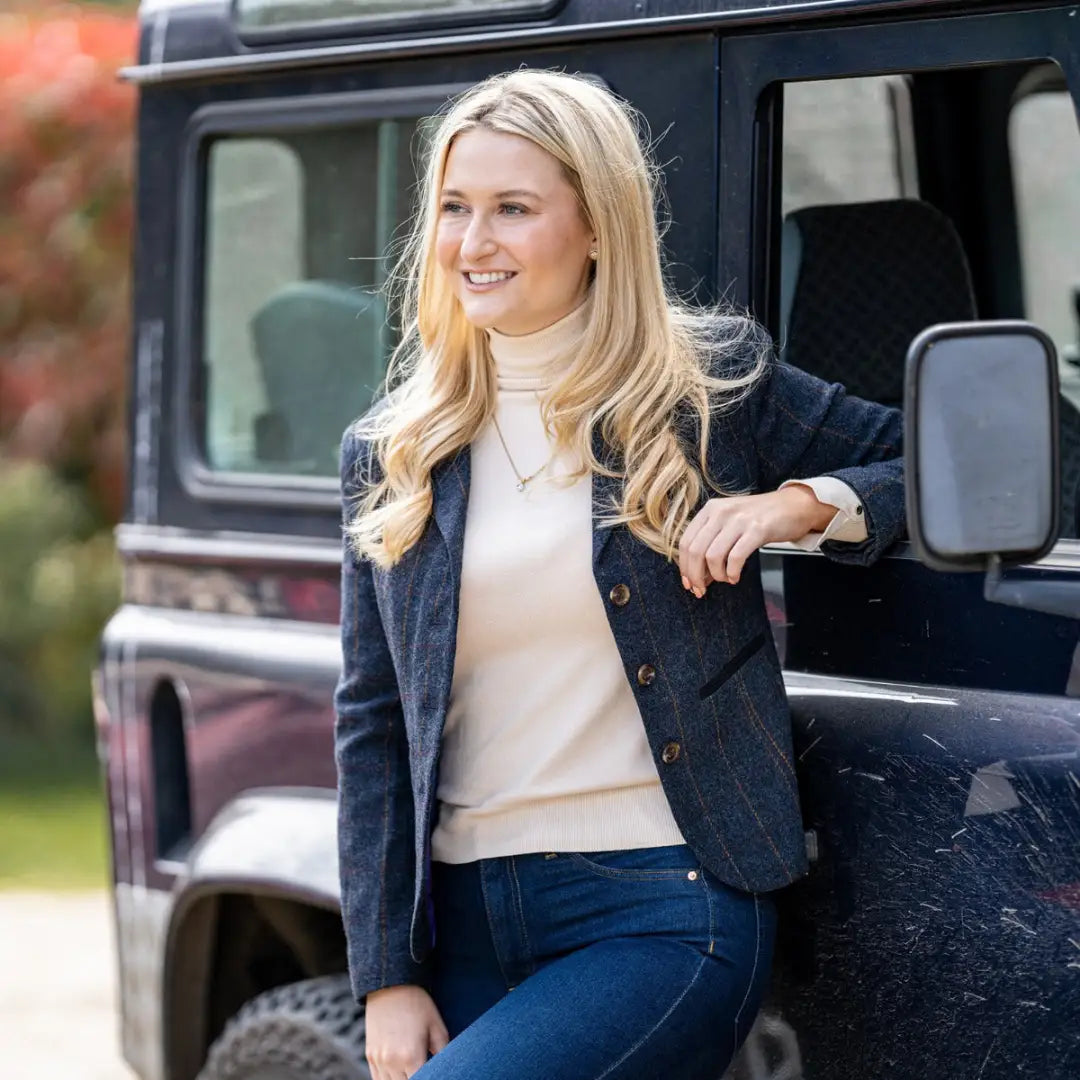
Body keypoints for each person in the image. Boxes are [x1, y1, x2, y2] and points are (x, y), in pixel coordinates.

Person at [335, 69, 904, 1080]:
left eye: (514, 208)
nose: (474, 243)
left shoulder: (707, 387)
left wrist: (795, 503)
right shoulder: (394, 449)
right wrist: (386, 973)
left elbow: (921, 459)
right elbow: (373, 719)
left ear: (597, 225)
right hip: (462, 922)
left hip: (663, 904)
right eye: (457, 209)